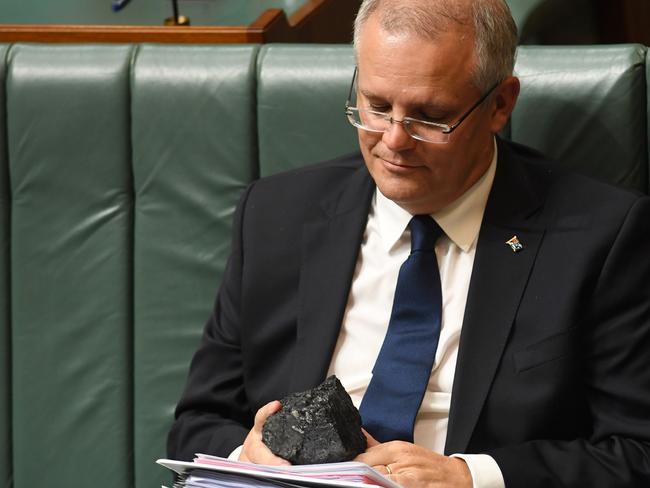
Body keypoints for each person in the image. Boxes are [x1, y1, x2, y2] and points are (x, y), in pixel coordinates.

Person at [167, 0, 650, 486]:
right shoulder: (276, 214)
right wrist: (247, 458)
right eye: (377, 107)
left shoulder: (604, 236)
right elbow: (197, 423)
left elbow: (636, 452)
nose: (394, 141)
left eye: (430, 117)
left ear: (500, 104)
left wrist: (469, 478)